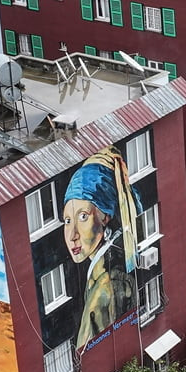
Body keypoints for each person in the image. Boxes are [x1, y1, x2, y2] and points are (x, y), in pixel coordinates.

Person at [62, 148, 140, 353]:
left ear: (105, 216)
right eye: (67, 221)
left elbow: (86, 352)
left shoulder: (105, 287)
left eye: (83, 217)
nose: (72, 235)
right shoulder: (106, 272)